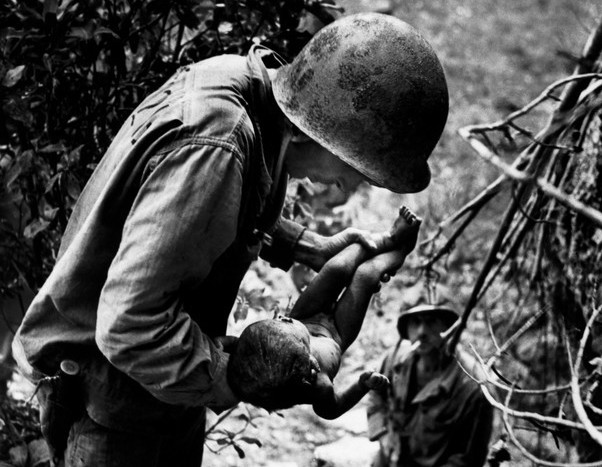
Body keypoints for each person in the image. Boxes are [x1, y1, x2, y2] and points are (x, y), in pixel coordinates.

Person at [12, 12, 448, 467]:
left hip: (162, 385)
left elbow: (199, 212)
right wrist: (243, 376)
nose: (352, 188)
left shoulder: (251, 94)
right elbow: (130, 326)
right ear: (310, 131)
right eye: (357, 172)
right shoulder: (217, 145)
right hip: (118, 410)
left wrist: (307, 246)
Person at [226, 207, 421, 418]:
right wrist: (362, 385)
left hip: (306, 314)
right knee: (366, 275)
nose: (284, 318)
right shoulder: (319, 385)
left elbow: (230, 344)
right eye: (287, 323)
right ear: (311, 366)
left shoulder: (248, 360)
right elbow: (331, 410)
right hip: (337, 332)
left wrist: (221, 343)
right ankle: (402, 249)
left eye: (281, 321)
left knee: (336, 267)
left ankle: (387, 239)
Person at [367, 304, 494, 467]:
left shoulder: (472, 385)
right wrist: (383, 435)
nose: (421, 332)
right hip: (392, 457)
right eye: (415, 322)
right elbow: (376, 396)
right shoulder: (394, 359)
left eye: (431, 322)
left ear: (449, 328)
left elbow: (469, 457)